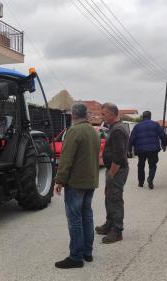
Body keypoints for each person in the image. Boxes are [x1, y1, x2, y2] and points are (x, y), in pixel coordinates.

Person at [54, 103, 101, 269]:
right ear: (86, 115)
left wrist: (59, 180)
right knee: (87, 217)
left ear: (73, 116)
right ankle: (87, 252)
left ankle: (75, 257)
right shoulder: (94, 132)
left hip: (76, 182)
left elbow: (66, 159)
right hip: (90, 181)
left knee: (75, 220)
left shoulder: (74, 131)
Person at [95, 103, 129, 244]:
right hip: (113, 169)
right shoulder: (114, 128)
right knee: (109, 197)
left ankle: (117, 230)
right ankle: (109, 224)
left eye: (104, 114)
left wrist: (111, 173)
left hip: (117, 170)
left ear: (112, 114)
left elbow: (119, 155)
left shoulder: (118, 130)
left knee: (114, 198)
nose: (102, 116)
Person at [128, 111, 167, 189]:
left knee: (141, 165)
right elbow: (162, 135)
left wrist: (129, 148)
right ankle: (150, 179)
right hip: (153, 149)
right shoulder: (155, 125)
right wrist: (164, 144)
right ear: (150, 116)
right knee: (152, 165)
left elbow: (132, 138)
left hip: (140, 149)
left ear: (142, 117)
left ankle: (141, 183)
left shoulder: (137, 126)